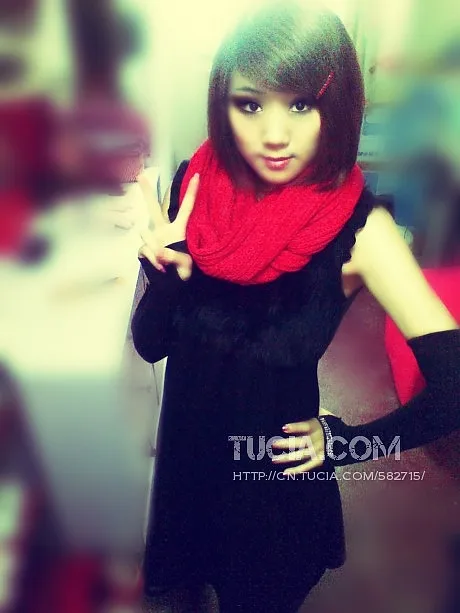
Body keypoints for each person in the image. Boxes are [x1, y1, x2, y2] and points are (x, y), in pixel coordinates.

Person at [132, 2, 460, 612]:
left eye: (302, 104)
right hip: (189, 465)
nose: (275, 135)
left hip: (269, 492)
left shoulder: (362, 231)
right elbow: (152, 344)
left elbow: (454, 386)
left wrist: (347, 443)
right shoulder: (195, 188)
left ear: (337, 106)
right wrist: (165, 274)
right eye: (251, 104)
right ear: (223, 102)